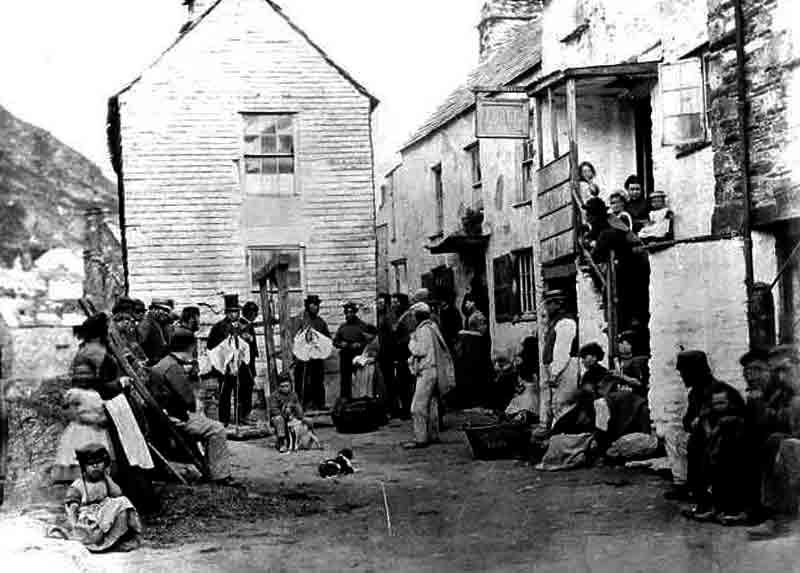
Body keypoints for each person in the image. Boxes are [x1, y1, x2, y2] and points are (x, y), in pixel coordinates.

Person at [149, 328, 234, 484]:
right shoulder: (173, 367)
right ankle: (221, 476)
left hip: (163, 416)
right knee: (217, 429)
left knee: (207, 423)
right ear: (190, 347)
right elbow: (189, 401)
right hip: (174, 418)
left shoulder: (163, 363)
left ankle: (209, 468)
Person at [665, 350, 744, 509]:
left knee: (695, 443)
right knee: (672, 433)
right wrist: (694, 423)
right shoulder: (695, 392)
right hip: (704, 434)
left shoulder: (719, 390)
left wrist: (702, 422)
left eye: (683, 372)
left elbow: (732, 418)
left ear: (694, 370)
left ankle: (699, 491)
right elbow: (687, 419)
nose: (682, 376)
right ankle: (684, 484)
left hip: (723, 436)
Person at [747, 345, 800, 539]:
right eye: (776, 371)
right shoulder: (783, 394)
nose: (780, 377)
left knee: (784, 446)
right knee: (774, 442)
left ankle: (782, 520)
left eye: (785, 369)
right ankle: (768, 513)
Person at [583, 197, 651, 333]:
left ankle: (625, 324)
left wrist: (592, 247)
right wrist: (588, 240)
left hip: (635, 262)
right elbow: (591, 237)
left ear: (595, 215)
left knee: (626, 293)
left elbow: (597, 254)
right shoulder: (603, 223)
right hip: (625, 261)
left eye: (589, 214)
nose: (587, 218)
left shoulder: (610, 228)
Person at [61, 443, 142, 552]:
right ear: (83, 467)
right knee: (91, 524)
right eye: (90, 464)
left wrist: (106, 477)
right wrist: (75, 526)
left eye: (99, 463)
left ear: (105, 464)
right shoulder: (78, 485)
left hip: (105, 516)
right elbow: (72, 508)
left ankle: (114, 540)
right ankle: (97, 543)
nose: (95, 466)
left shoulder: (105, 481)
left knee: (123, 503)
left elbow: (118, 494)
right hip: (89, 520)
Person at [404, 302, 455, 449]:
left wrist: (411, 341)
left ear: (417, 316)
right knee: (432, 404)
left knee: (417, 407)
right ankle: (433, 435)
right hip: (433, 370)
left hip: (427, 371)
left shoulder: (423, 330)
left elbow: (420, 350)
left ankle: (421, 438)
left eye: (413, 316)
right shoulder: (432, 327)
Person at [207, 294, 253, 427]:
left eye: (236, 311)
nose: (234, 314)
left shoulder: (244, 325)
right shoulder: (218, 327)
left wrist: (248, 339)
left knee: (243, 390)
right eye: (231, 312)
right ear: (226, 312)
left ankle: (242, 416)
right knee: (225, 392)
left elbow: (250, 345)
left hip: (242, 364)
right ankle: (224, 419)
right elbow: (211, 347)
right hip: (226, 365)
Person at [539, 290, 580, 430]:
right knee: (557, 404)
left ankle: (563, 435)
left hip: (566, 367)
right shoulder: (557, 322)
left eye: (550, 304)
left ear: (558, 304)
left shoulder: (565, 322)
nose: (547, 308)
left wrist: (555, 373)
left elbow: (562, 351)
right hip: (560, 367)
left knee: (562, 404)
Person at [293, 295, 331, 410]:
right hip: (303, 356)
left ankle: (320, 403)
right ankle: (302, 404)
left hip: (316, 356)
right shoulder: (301, 320)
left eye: (317, 305)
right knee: (302, 380)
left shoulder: (321, 322)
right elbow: (295, 337)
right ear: (307, 306)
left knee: (318, 380)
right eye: (312, 304)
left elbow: (327, 339)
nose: (315, 307)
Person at [333, 302, 375, 401]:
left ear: (355, 313)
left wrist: (360, 344)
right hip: (345, 355)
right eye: (346, 313)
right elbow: (335, 341)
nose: (348, 315)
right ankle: (345, 399)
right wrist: (340, 344)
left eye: (351, 312)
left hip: (358, 356)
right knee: (345, 378)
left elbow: (370, 340)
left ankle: (358, 399)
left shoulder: (363, 326)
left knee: (359, 378)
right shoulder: (342, 327)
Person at [268, 373, 304, 453]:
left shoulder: (293, 395)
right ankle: (281, 442)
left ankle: (297, 441)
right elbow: (274, 410)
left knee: (302, 420)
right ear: (278, 387)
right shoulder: (274, 396)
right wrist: (285, 413)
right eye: (282, 386)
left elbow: (299, 409)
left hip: (291, 417)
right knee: (279, 419)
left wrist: (296, 410)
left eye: (287, 386)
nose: (285, 388)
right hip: (278, 418)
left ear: (290, 385)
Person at [391, 293, 414, 419]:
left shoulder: (408, 317)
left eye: (396, 302)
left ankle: (408, 409)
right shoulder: (397, 317)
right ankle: (405, 408)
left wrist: (399, 342)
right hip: (399, 355)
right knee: (401, 383)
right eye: (393, 303)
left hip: (407, 354)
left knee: (407, 383)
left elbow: (410, 336)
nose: (394, 305)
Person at [137, 298, 175, 366]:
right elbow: (139, 344)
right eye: (164, 310)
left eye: (168, 311)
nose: (166, 313)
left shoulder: (162, 324)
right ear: (154, 309)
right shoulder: (146, 324)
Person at [376, 293, 397, 412]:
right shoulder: (381, 316)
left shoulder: (389, 317)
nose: (379, 306)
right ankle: (389, 405)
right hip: (383, 352)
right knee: (386, 381)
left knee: (390, 381)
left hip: (388, 353)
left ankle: (393, 407)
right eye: (378, 303)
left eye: (381, 303)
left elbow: (392, 336)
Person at [614, 330, 649, 396]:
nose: (620, 345)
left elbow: (639, 383)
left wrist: (621, 376)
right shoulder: (618, 360)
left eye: (624, 343)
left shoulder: (637, 361)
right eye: (620, 343)